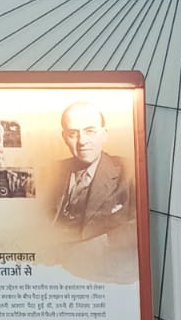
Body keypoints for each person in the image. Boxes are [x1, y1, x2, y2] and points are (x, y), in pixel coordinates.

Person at [50, 102, 132, 239]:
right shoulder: (49, 172)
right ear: (64, 138)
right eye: (73, 133)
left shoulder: (129, 172)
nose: (82, 141)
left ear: (104, 135)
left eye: (90, 131)